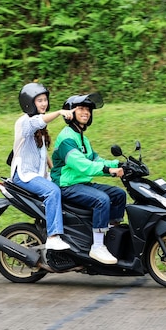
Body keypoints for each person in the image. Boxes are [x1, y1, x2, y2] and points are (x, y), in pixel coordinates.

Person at [50, 93, 126, 264]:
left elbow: (96, 160)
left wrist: (120, 163)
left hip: (81, 183)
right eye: (81, 109)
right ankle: (97, 246)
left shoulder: (82, 137)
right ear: (71, 113)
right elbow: (83, 165)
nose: (86, 112)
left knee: (118, 194)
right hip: (66, 185)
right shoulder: (66, 138)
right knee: (102, 200)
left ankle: (110, 238)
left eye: (88, 110)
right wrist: (110, 170)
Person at [11, 83, 76, 251]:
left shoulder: (39, 123)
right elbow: (37, 122)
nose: (44, 103)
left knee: (66, 188)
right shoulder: (24, 122)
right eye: (39, 100)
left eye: (45, 100)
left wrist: (55, 171)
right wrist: (60, 112)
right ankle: (53, 237)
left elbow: (42, 152)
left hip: (38, 174)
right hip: (24, 174)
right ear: (29, 103)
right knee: (52, 191)